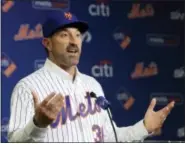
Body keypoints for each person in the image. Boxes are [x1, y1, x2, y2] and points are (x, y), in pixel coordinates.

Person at [8, 11, 175, 142]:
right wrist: (38, 125)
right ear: (48, 43)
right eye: (64, 35)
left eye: (78, 35)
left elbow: (108, 138)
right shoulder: (28, 87)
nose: (74, 41)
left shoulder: (92, 85)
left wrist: (145, 128)